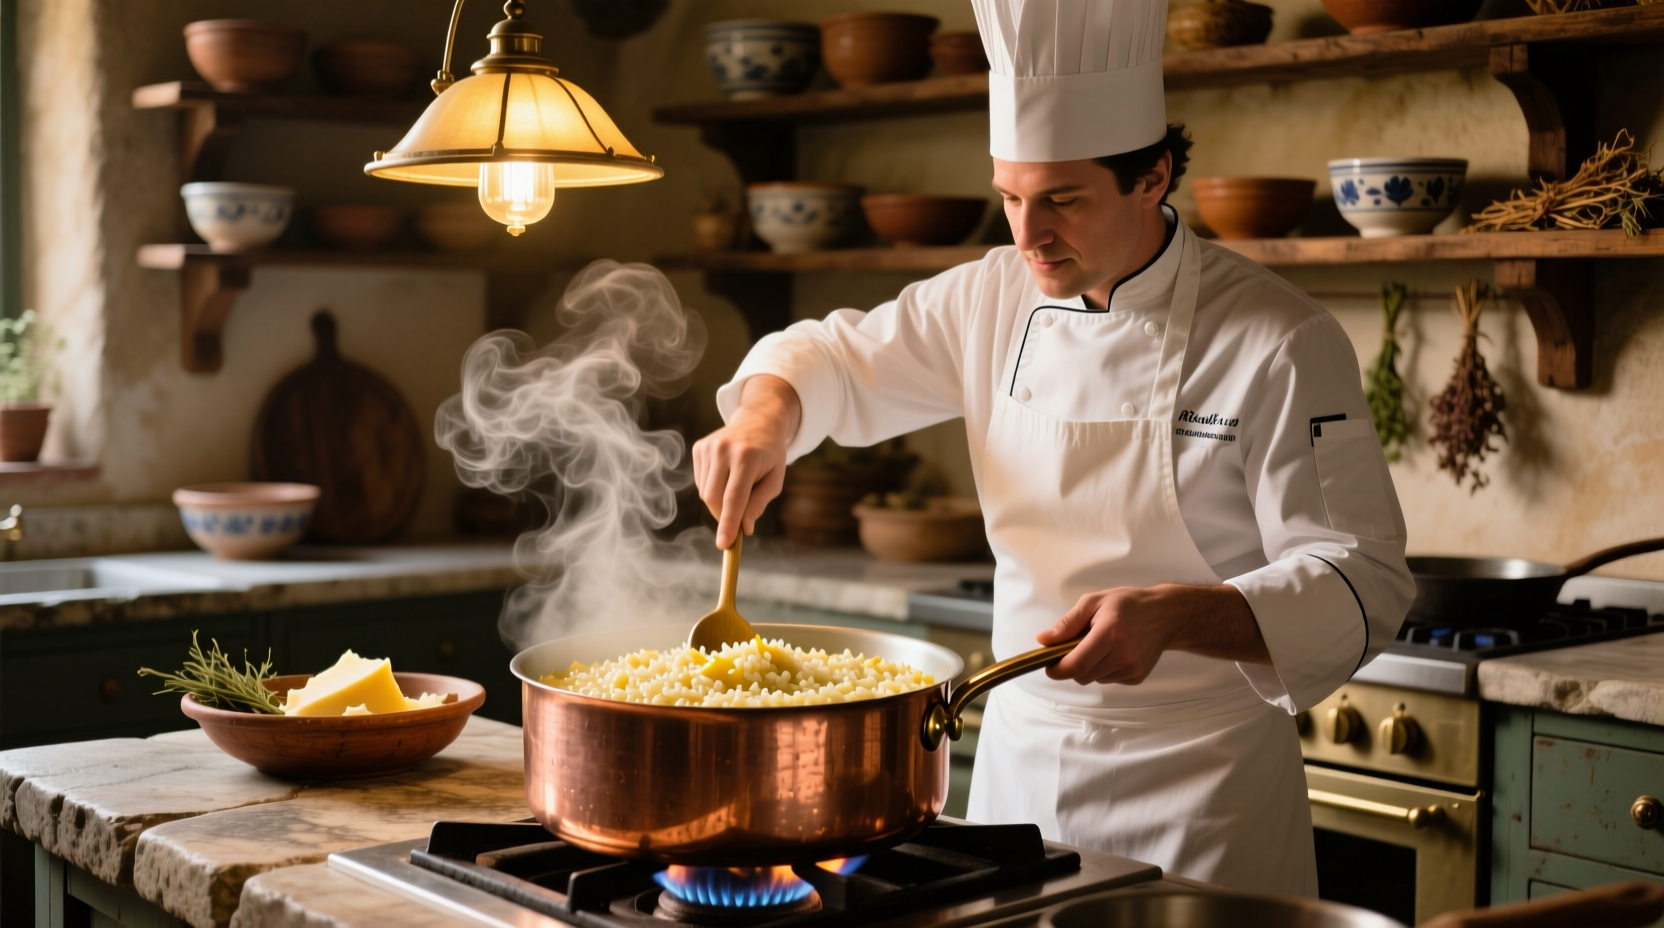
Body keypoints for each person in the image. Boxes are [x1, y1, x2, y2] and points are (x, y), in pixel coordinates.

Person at [691, 0, 1414, 896]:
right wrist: (764, 417)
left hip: (1207, 792)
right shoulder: (988, 299)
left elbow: (1363, 577)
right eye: (1010, 198)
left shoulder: (1277, 339)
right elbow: (834, 357)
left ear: (1152, 177)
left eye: (1062, 201)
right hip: (1022, 774)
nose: (1026, 236)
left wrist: (1179, 617)